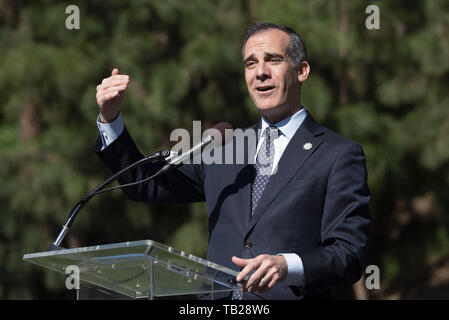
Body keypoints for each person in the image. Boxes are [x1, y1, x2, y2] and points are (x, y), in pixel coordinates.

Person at [94, 22, 371, 300]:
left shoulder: (338, 155)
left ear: (301, 71)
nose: (260, 72)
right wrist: (110, 120)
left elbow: (349, 254)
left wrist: (288, 265)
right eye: (251, 64)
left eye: (273, 60)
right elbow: (145, 184)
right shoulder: (225, 148)